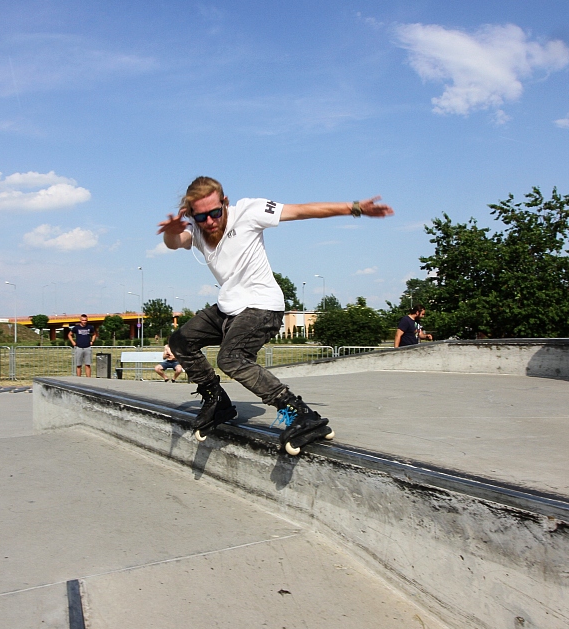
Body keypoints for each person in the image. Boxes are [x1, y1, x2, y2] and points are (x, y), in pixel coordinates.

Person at [158, 175, 393, 452]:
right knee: (180, 341)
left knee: (231, 359)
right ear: (191, 214)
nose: (209, 222)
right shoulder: (198, 232)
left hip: (262, 306)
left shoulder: (249, 211)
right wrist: (170, 231)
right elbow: (175, 242)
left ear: (225, 202)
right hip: (228, 308)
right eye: (201, 217)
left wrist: (354, 207)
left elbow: (301, 211)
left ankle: (300, 413)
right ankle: (216, 401)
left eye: (215, 213)